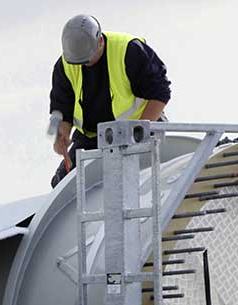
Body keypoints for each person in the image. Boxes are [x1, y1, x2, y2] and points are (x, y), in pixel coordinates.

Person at [50, 15, 171, 188]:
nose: (85, 64)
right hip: (94, 137)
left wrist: (139, 131)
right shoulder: (66, 65)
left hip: (140, 128)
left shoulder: (129, 51)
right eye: (80, 62)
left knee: (139, 181)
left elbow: (160, 92)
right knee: (63, 185)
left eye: (88, 59)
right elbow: (62, 109)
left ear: (100, 41)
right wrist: (61, 135)